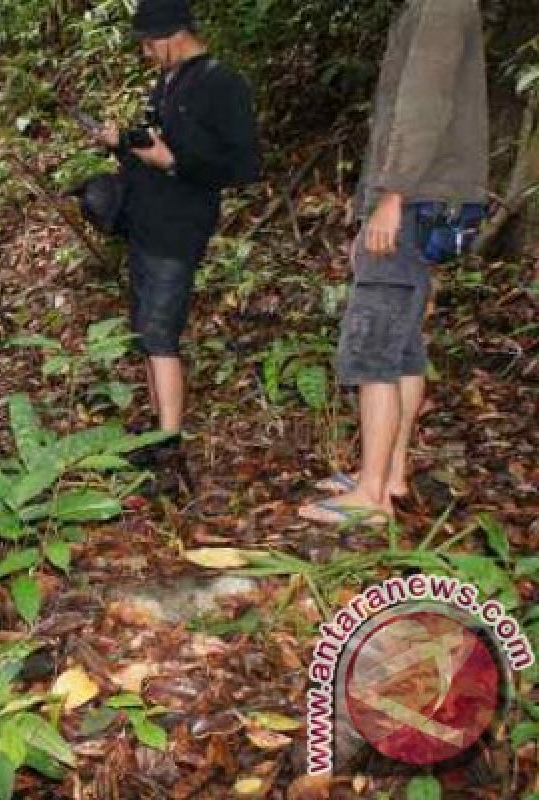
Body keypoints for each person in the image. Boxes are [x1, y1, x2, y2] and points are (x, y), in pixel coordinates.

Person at [300, 0, 488, 525]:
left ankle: (372, 495)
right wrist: (372, 196)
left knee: (374, 338)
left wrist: (391, 195)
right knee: (403, 343)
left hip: (416, 197)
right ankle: (391, 474)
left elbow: (422, 106)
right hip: (423, 197)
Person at [92, 0, 260, 492]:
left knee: (161, 333)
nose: (147, 53)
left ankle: (171, 452)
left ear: (174, 33)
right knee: (146, 332)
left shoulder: (221, 83)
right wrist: (122, 141)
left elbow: (242, 165)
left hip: (179, 225)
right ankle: (158, 433)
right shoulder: (168, 80)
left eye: (150, 43)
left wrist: (174, 161)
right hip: (145, 220)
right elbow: (158, 144)